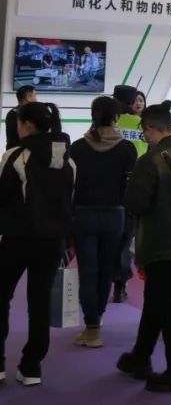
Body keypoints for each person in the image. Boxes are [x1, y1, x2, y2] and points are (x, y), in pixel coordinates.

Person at [117, 101, 171, 394]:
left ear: (151, 129)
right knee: (157, 300)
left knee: (166, 305)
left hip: (160, 242)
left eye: (145, 132)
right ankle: (140, 357)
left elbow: (134, 203)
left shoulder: (150, 161)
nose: (145, 137)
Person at [0, 102, 75, 386]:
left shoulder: (15, 156)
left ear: (27, 125)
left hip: (17, 239)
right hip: (52, 242)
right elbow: (71, 202)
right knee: (40, 302)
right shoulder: (68, 160)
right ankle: (32, 367)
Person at [70, 96, 138, 350]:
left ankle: (92, 327)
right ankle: (96, 322)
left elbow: (70, 188)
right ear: (117, 117)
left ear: (93, 115)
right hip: (115, 216)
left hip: (83, 215)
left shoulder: (77, 147)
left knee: (88, 272)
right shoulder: (127, 149)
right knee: (106, 271)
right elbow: (130, 189)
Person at [111, 84, 144, 304]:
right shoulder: (141, 124)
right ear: (132, 102)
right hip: (133, 188)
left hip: (107, 189)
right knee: (124, 239)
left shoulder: (109, 122)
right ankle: (120, 286)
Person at [5, 85, 37, 151]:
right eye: (35, 95)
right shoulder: (29, 114)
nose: (36, 99)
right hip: (23, 152)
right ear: (28, 97)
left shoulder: (11, 113)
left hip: (12, 151)